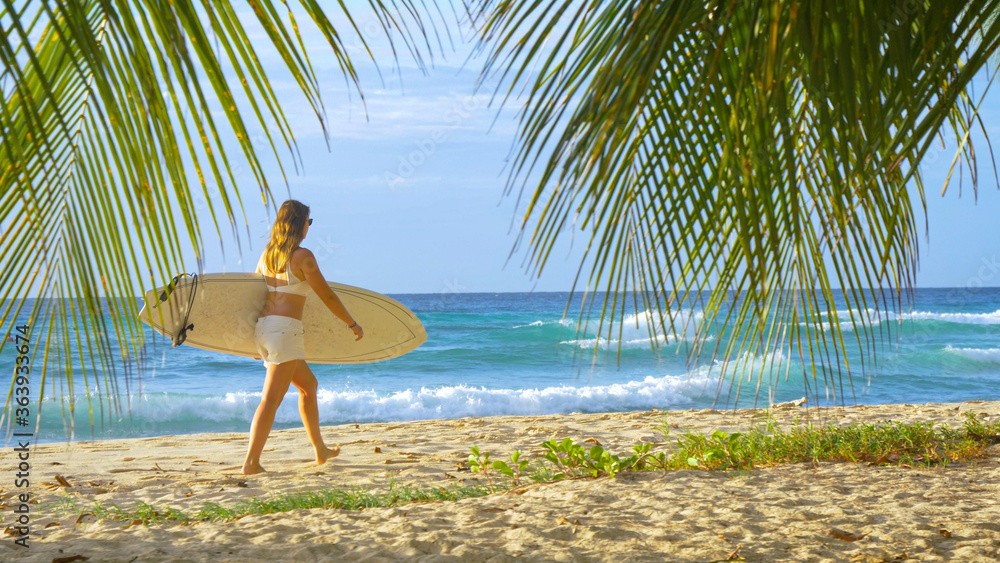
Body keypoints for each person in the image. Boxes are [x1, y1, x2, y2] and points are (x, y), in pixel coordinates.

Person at [242, 199, 364, 475]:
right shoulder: (303, 256)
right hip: (285, 331)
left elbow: (253, 295)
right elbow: (327, 295)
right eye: (309, 221)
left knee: (309, 386)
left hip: (266, 328)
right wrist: (351, 323)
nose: (310, 226)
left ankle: (320, 449)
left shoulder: (267, 255)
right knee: (270, 400)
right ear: (300, 224)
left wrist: (251, 340)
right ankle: (251, 462)